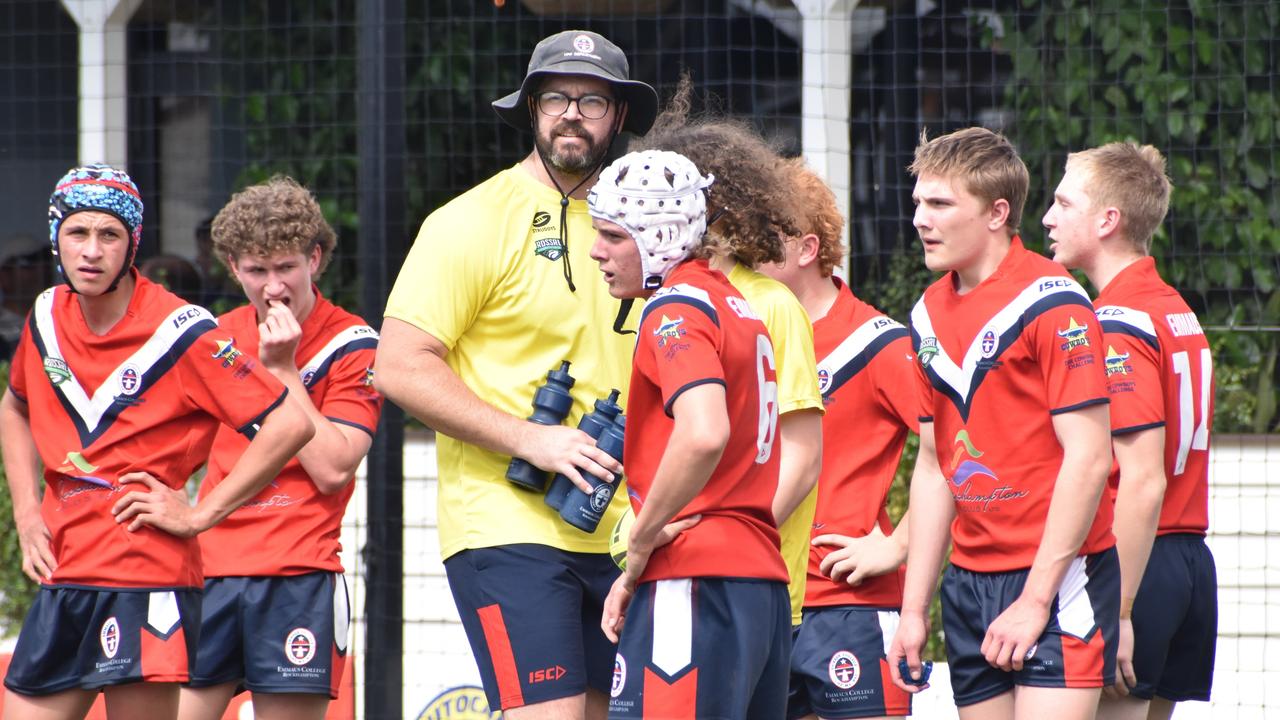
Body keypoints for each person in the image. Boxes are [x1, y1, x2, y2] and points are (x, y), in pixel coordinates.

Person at [374, 30, 658, 719]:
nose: (571, 114)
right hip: (506, 525)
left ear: (618, 118)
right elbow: (399, 367)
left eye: (593, 101)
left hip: (630, 531)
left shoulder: (652, 224)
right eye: (556, 97)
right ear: (530, 108)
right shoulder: (467, 221)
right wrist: (530, 440)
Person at [0, 164, 313, 720]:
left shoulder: (185, 329)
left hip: (146, 575)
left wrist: (199, 515)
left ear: (132, 243)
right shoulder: (45, 315)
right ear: (56, 239)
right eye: (77, 232)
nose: (91, 250)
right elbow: (15, 405)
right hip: (66, 569)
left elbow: (290, 425)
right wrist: (27, 511)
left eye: (109, 234)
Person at [885, 128, 1119, 720]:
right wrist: (915, 611)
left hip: (1058, 576)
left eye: (939, 204)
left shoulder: (1054, 301)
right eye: (917, 202)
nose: (920, 219)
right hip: (967, 584)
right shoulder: (926, 313)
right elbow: (936, 466)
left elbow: (1089, 458)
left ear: (997, 212)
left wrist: (1037, 599)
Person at [590, 148, 791, 718]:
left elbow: (704, 432)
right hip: (760, 585)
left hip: (696, 581)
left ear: (659, 237)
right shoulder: (737, 304)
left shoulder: (673, 308)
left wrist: (641, 540)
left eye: (612, 235)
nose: (596, 251)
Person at [178, 177, 383, 720]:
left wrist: (283, 370)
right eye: (256, 271)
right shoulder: (214, 339)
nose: (273, 287)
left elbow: (335, 468)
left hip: (298, 574)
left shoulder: (354, 343)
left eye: (286, 267)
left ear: (314, 258)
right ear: (232, 267)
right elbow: (174, 450)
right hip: (208, 572)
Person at [635, 82, 824, 630]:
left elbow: (802, 454)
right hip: (691, 569)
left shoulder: (767, 303)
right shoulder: (677, 295)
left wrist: (730, 539)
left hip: (739, 580)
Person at [1042, 142, 1216, 720]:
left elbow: (1141, 482)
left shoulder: (1117, 323)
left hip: (1134, 563)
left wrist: (1118, 611)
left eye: (1063, 202)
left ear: (1107, 221)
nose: (1046, 216)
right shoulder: (1174, 309)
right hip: (1187, 559)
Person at [758, 159, 919, 720]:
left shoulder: (878, 342)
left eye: (763, 238)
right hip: (762, 592)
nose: (744, 252)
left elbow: (966, 451)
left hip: (848, 602)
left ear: (807, 249)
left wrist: (897, 546)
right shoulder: (745, 336)